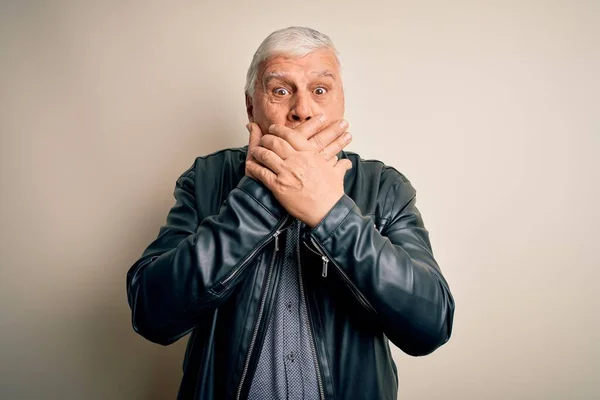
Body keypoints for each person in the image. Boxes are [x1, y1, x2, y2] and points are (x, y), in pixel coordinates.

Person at [126, 26, 455, 400]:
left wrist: (331, 214)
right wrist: (262, 194)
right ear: (251, 106)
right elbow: (152, 313)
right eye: (281, 91)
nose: (302, 110)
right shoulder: (206, 179)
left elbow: (430, 326)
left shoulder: (384, 188)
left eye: (320, 90)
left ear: (340, 102)